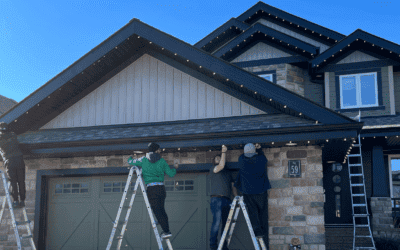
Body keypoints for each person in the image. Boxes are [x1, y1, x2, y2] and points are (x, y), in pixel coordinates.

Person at [127, 142, 178, 239]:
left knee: (157, 211)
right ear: (157, 150)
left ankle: (166, 231)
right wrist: (175, 168)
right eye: (159, 149)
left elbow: (130, 162)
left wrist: (131, 157)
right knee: (161, 210)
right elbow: (171, 174)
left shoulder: (143, 160)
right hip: (161, 188)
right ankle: (163, 225)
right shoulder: (162, 161)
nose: (160, 151)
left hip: (151, 188)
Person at [234, 143, 271, 247]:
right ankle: (263, 235)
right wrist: (259, 150)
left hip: (248, 192)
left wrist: (251, 150)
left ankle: (258, 232)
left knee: (252, 213)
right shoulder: (260, 160)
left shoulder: (242, 161)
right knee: (262, 214)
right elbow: (264, 159)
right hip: (261, 191)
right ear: (254, 152)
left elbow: (242, 156)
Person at [209, 145, 238, 250]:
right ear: (214, 161)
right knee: (216, 223)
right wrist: (223, 152)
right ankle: (213, 246)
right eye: (217, 158)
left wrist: (237, 197)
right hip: (216, 199)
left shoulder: (228, 173)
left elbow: (233, 186)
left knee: (226, 225)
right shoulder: (214, 169)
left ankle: (223, 246)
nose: (219, 159)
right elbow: (221, 165)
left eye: (219, 157)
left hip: (227, 200)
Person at [0, 122, 26, 208]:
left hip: (9, 161)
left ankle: (15, 201)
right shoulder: (13, 134)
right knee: (21, 181)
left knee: (13, 181)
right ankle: (22, 200)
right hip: (19, 159)